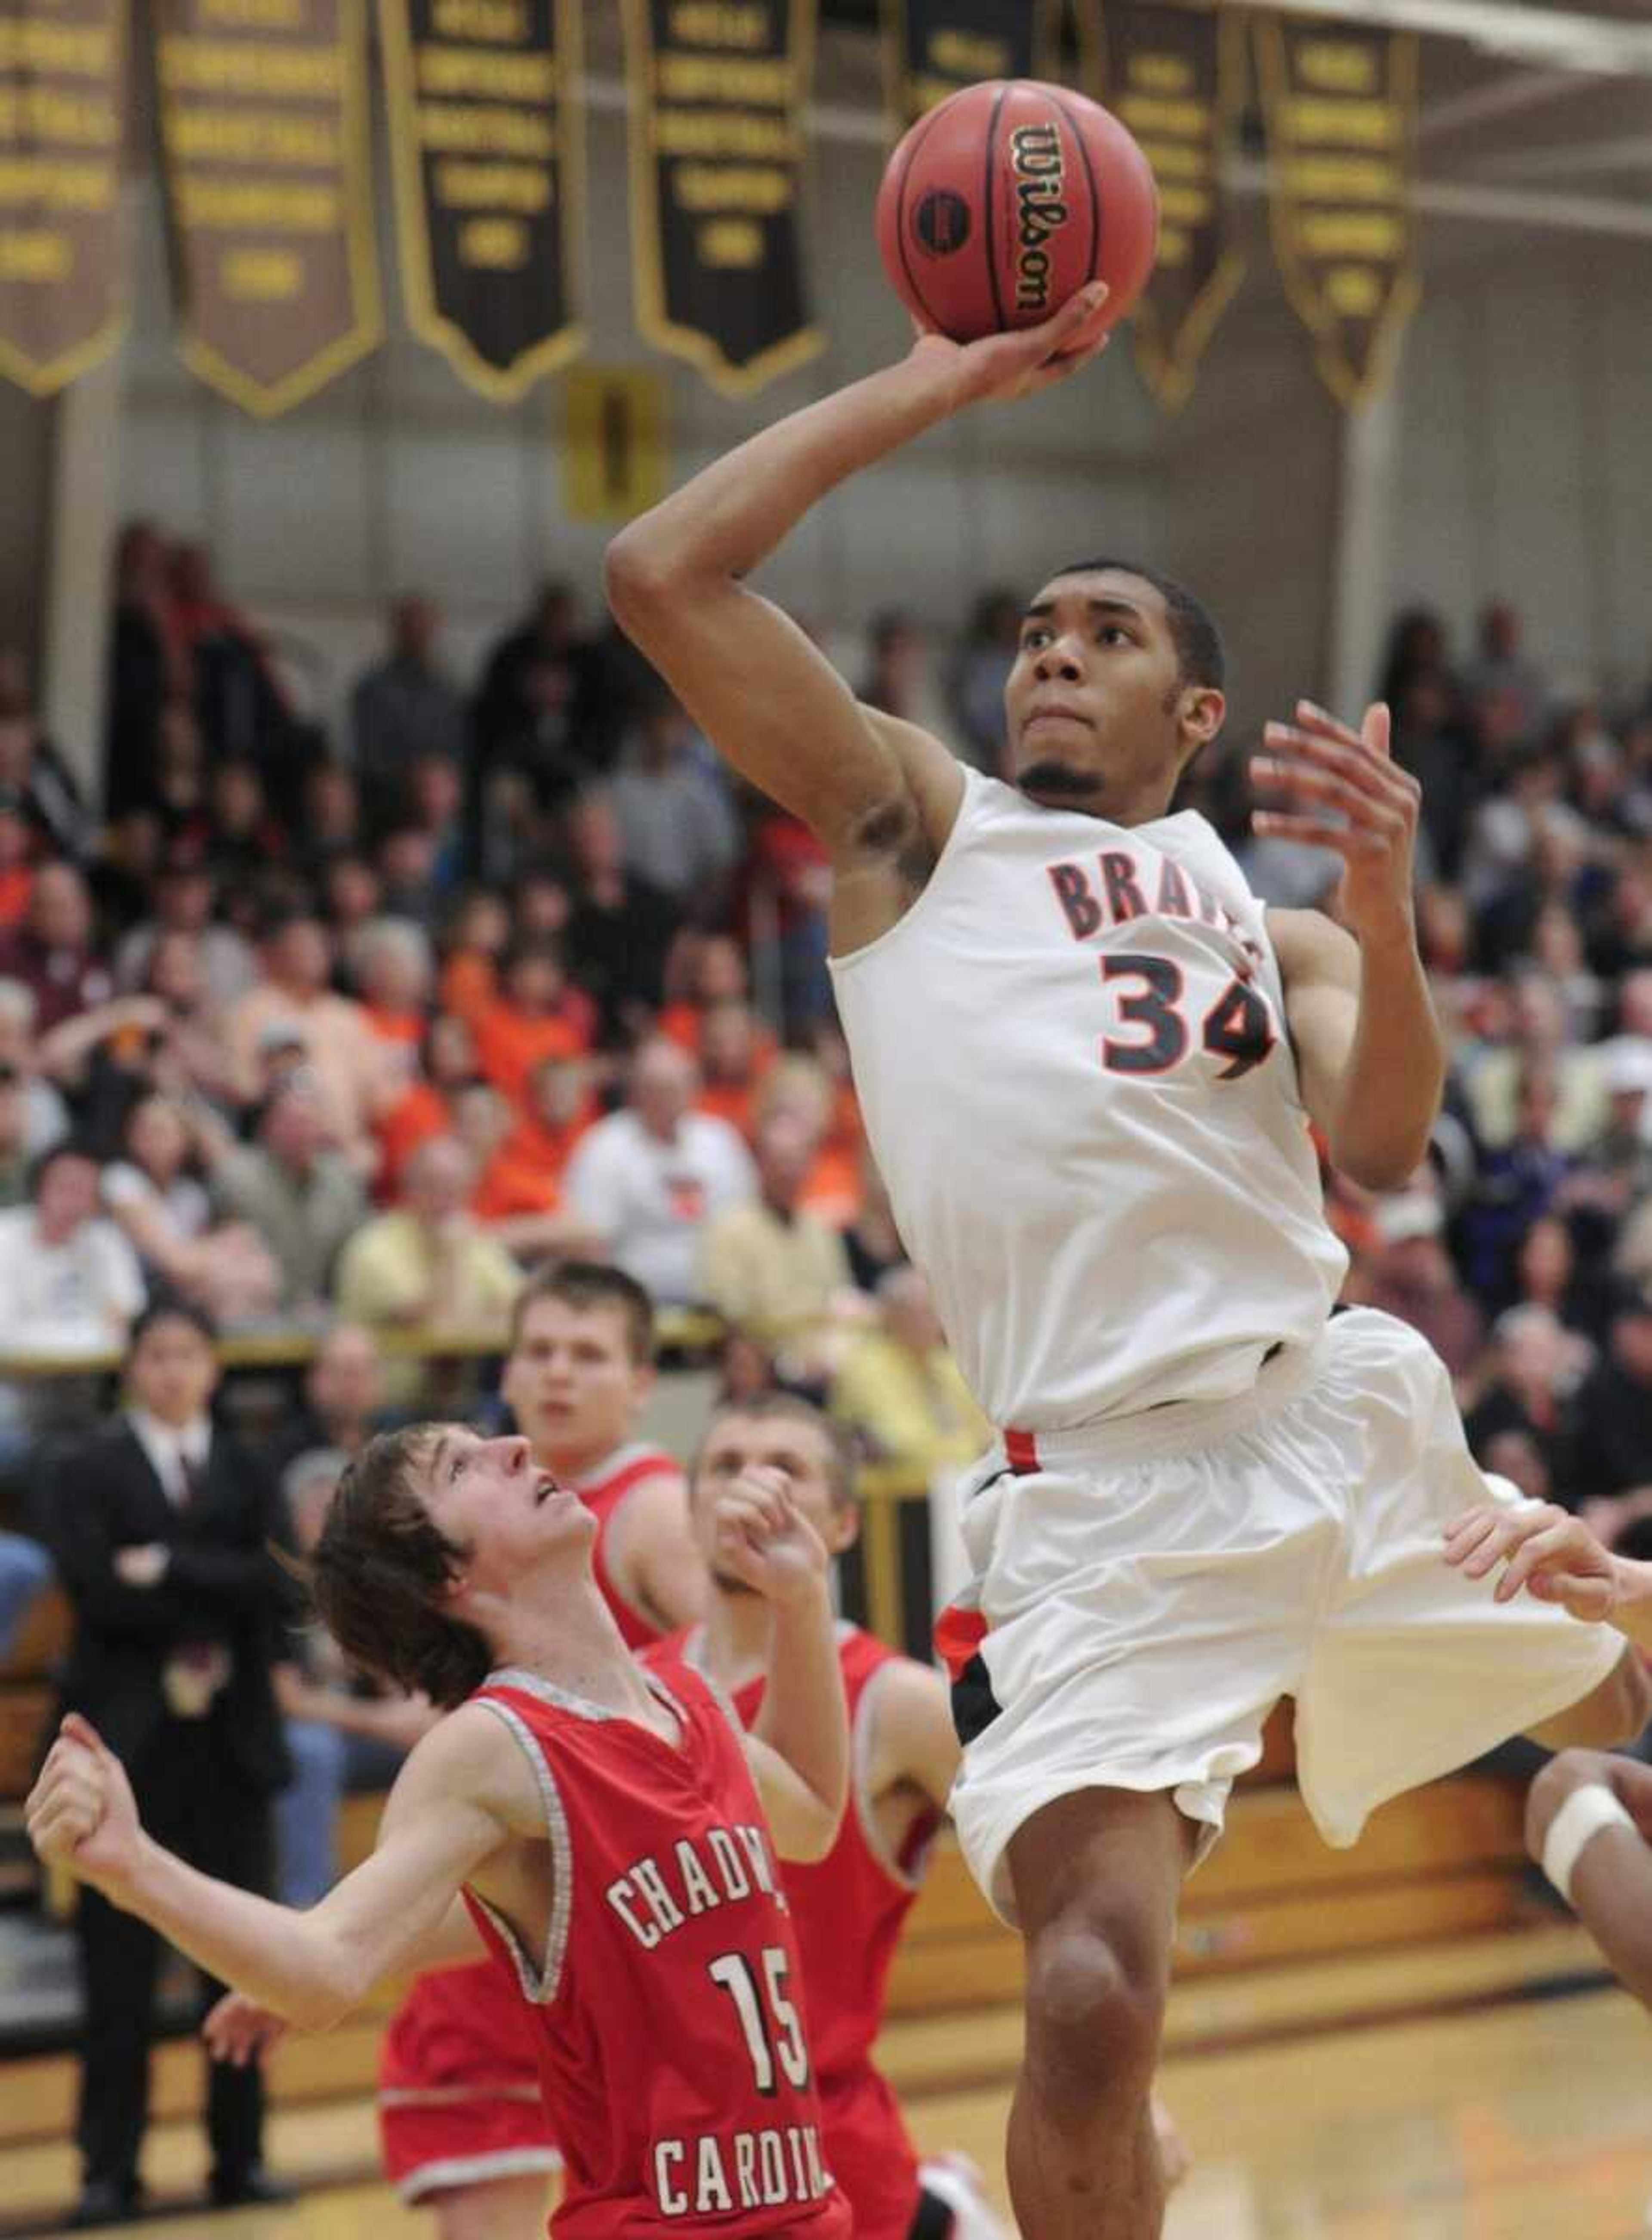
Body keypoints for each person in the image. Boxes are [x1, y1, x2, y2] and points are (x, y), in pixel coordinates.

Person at [603, 283, 1650, 2237]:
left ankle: (1582, 1815)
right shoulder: (918, 828)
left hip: (1330, 1413)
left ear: (1194, 714)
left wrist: (1390, 911)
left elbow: (1386, 1142)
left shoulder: (1282, 931)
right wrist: (938, 380)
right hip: (1101, 1499)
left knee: (1611, 1695)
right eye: (1032, 634)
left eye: (1108, 634)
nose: (1052, 660)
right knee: (1089, 1992)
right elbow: (662, 568)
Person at [28, 1424, 853, 2238]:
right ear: (448, 1572)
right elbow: (327, 1967)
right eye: (464, 1467)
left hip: (808, 2214)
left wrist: (804, 1597)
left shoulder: (688, 1700)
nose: (518, 1446)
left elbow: (812, 1815)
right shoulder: (492, 1748)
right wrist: (133, 1866)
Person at [369, 1261, 707, 2238]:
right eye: (540, 1349)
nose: (558, 1373)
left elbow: (735, 1702)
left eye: (588, 1353)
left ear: (643, 1382)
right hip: (511, 1906)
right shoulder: (486, 1518)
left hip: (607, 1917)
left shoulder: (644, 1510)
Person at [657, 1391, 1012, 2239]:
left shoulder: (900, 1703)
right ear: (692, 1507)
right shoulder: (633, 1689)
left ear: (844, 1522)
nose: (753, 1486)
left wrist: (1116, 2079)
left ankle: (945, 2210)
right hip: (662, 2161)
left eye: (787, 1466)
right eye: (727, 1465)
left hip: (833, 2159)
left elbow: (1063, 1874)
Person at [43, 1301, 291, 2224]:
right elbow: (97, 1589)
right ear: (132, 1366)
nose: (174, 1368)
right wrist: (208, 1579)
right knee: (117, 1979)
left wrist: (167, 1566)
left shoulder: (249, 1464)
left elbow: (274, 1581)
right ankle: (108, 2171)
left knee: (247, 1968)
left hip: (231, 1750)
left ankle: (242, 2154)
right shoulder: (87, 1466)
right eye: (157, 1354)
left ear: (215, 1366)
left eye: (190, 1352)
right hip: (124, 1755)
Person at [564, 1038, 755, 1306]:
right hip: (632, 1300)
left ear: (694, 1087)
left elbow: (745, 1224)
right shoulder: (604, 1147)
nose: (667, 1098)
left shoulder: (720, 1140)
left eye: (676, 1087)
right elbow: (590, 1240)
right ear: (636, 1092)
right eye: (656, 1088)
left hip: (717, 1299)